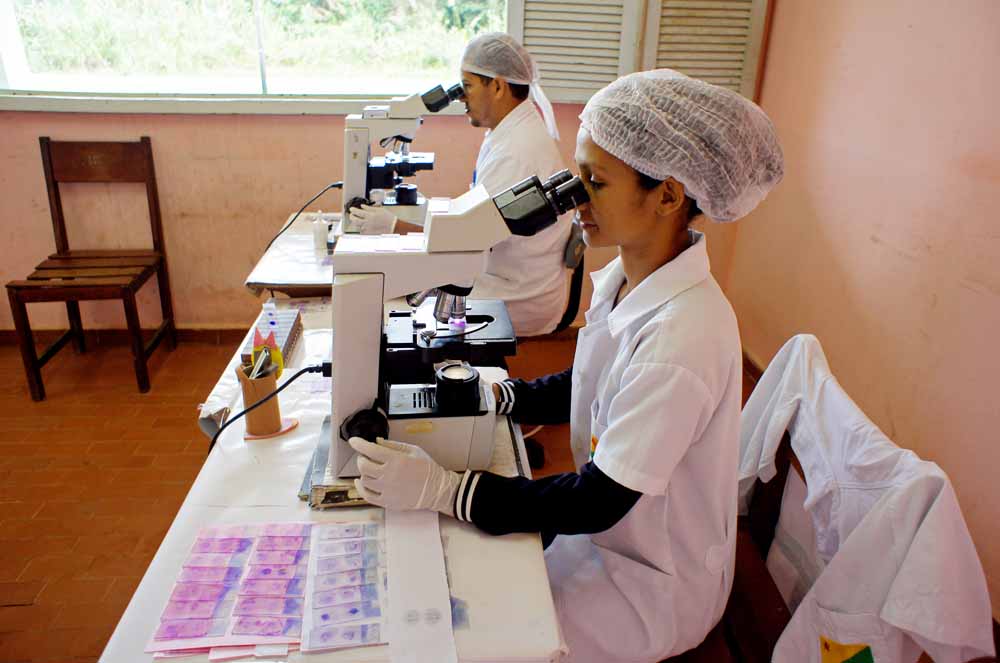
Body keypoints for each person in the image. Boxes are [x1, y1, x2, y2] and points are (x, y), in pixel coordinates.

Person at [348, 69, 784, 661]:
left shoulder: (684, 338)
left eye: (595, 184)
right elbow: (588, 386)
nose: (573, 202)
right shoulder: (626, 280)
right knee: (466, 568)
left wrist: (445, 490)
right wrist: (504, 397)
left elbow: (594, 501)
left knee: (480, 635)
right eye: (574, 179)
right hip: (611, 540)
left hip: (651, 581)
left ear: (668, 195)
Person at [353, 32, 572, 337]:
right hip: (507, 272)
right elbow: (478, 214)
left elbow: (473, 234)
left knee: (393, 300)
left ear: (497, 86)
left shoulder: (517, 151)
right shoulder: (508, 131)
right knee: (402, 283)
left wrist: (398, 221)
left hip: (517, 293)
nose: (460, 98)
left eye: (466, 86)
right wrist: (413, 214)